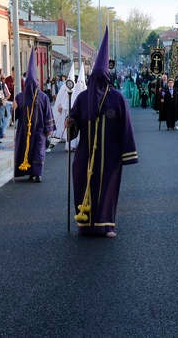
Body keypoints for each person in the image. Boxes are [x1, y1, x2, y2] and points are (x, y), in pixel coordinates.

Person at [68, 28, 138, 238]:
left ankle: (106, 225)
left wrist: (127, 154)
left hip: (109, 156)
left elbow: (125, 127)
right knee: (82, 184)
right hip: (85, 154)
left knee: (107, 188)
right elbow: (73, 130)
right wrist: (70, 123)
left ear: (106, 78)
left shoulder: (117, 99)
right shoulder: (81, 99)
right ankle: (86, 223)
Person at [14, 49, 56, 183]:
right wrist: (13, 109)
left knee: (38, 151)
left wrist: (49, 129)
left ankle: (37, 174)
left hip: (39, 130)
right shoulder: (20, 97)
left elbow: (48, 112)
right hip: (24, 130)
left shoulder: (43, 97)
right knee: (25, 150)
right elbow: (15, 116)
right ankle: (27, 172)